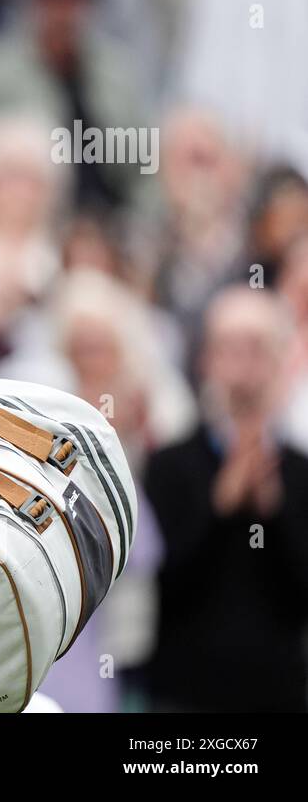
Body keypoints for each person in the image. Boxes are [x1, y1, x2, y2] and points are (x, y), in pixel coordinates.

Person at [144, 287, 308, 712]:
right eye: (228, 348)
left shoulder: (298, 471)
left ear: (279, 361)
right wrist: (220, 506)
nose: (242, 368)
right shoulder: (170, 464)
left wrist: (273, 511)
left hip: (277, 690)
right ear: (206, 360)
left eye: (256, 349)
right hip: (186, 692)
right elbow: (163, 579)